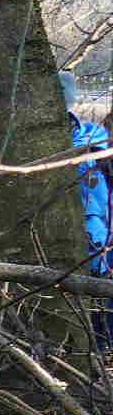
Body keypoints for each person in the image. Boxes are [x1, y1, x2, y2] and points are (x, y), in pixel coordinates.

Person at [65, 69, 112, 347]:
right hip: (70, 224)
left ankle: (102, 347)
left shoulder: (92, 135)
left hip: (99, 226)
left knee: (100, 284)